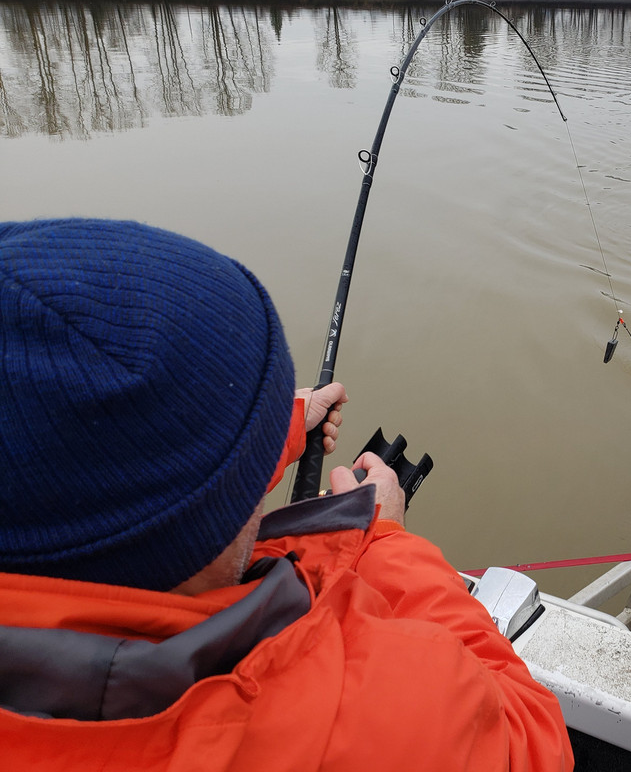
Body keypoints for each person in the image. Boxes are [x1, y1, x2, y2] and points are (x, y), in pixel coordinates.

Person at [0, 218, 573, 770]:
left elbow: (98, 469)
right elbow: (530, 736)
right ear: (202, 529)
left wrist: (278, 426)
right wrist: (387, 542)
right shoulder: (339, 716)